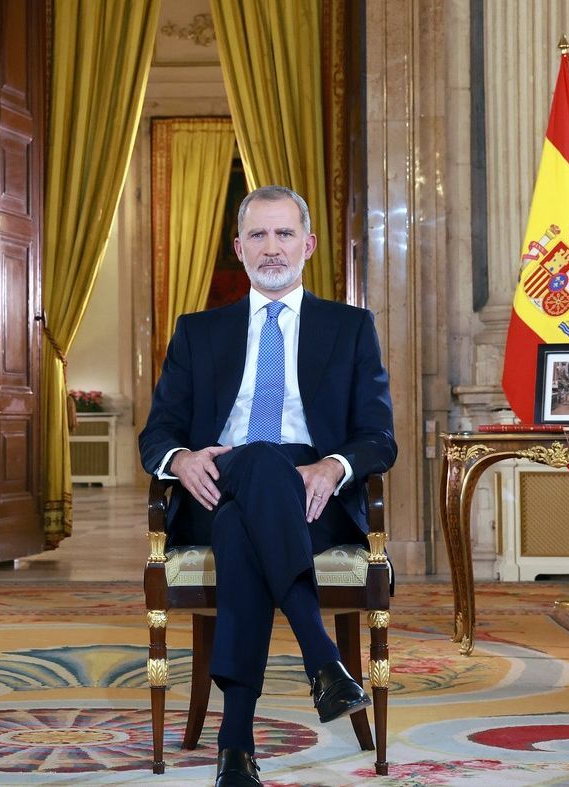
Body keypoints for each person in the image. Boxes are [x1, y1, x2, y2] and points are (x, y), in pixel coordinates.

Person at [139, 186, 397, 787]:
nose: (271, 248)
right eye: (257, 235)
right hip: (216, 483)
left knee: (241, 529)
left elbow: (378, 438)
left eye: (284, 235)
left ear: (307, 245)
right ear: (238, 247)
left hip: (313, 495)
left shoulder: (351, 327)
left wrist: (333, 466)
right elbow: (158, 433)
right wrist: (180, 461)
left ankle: (235, 746)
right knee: (252, 462)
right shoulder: (199, 331)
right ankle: (321, 657)